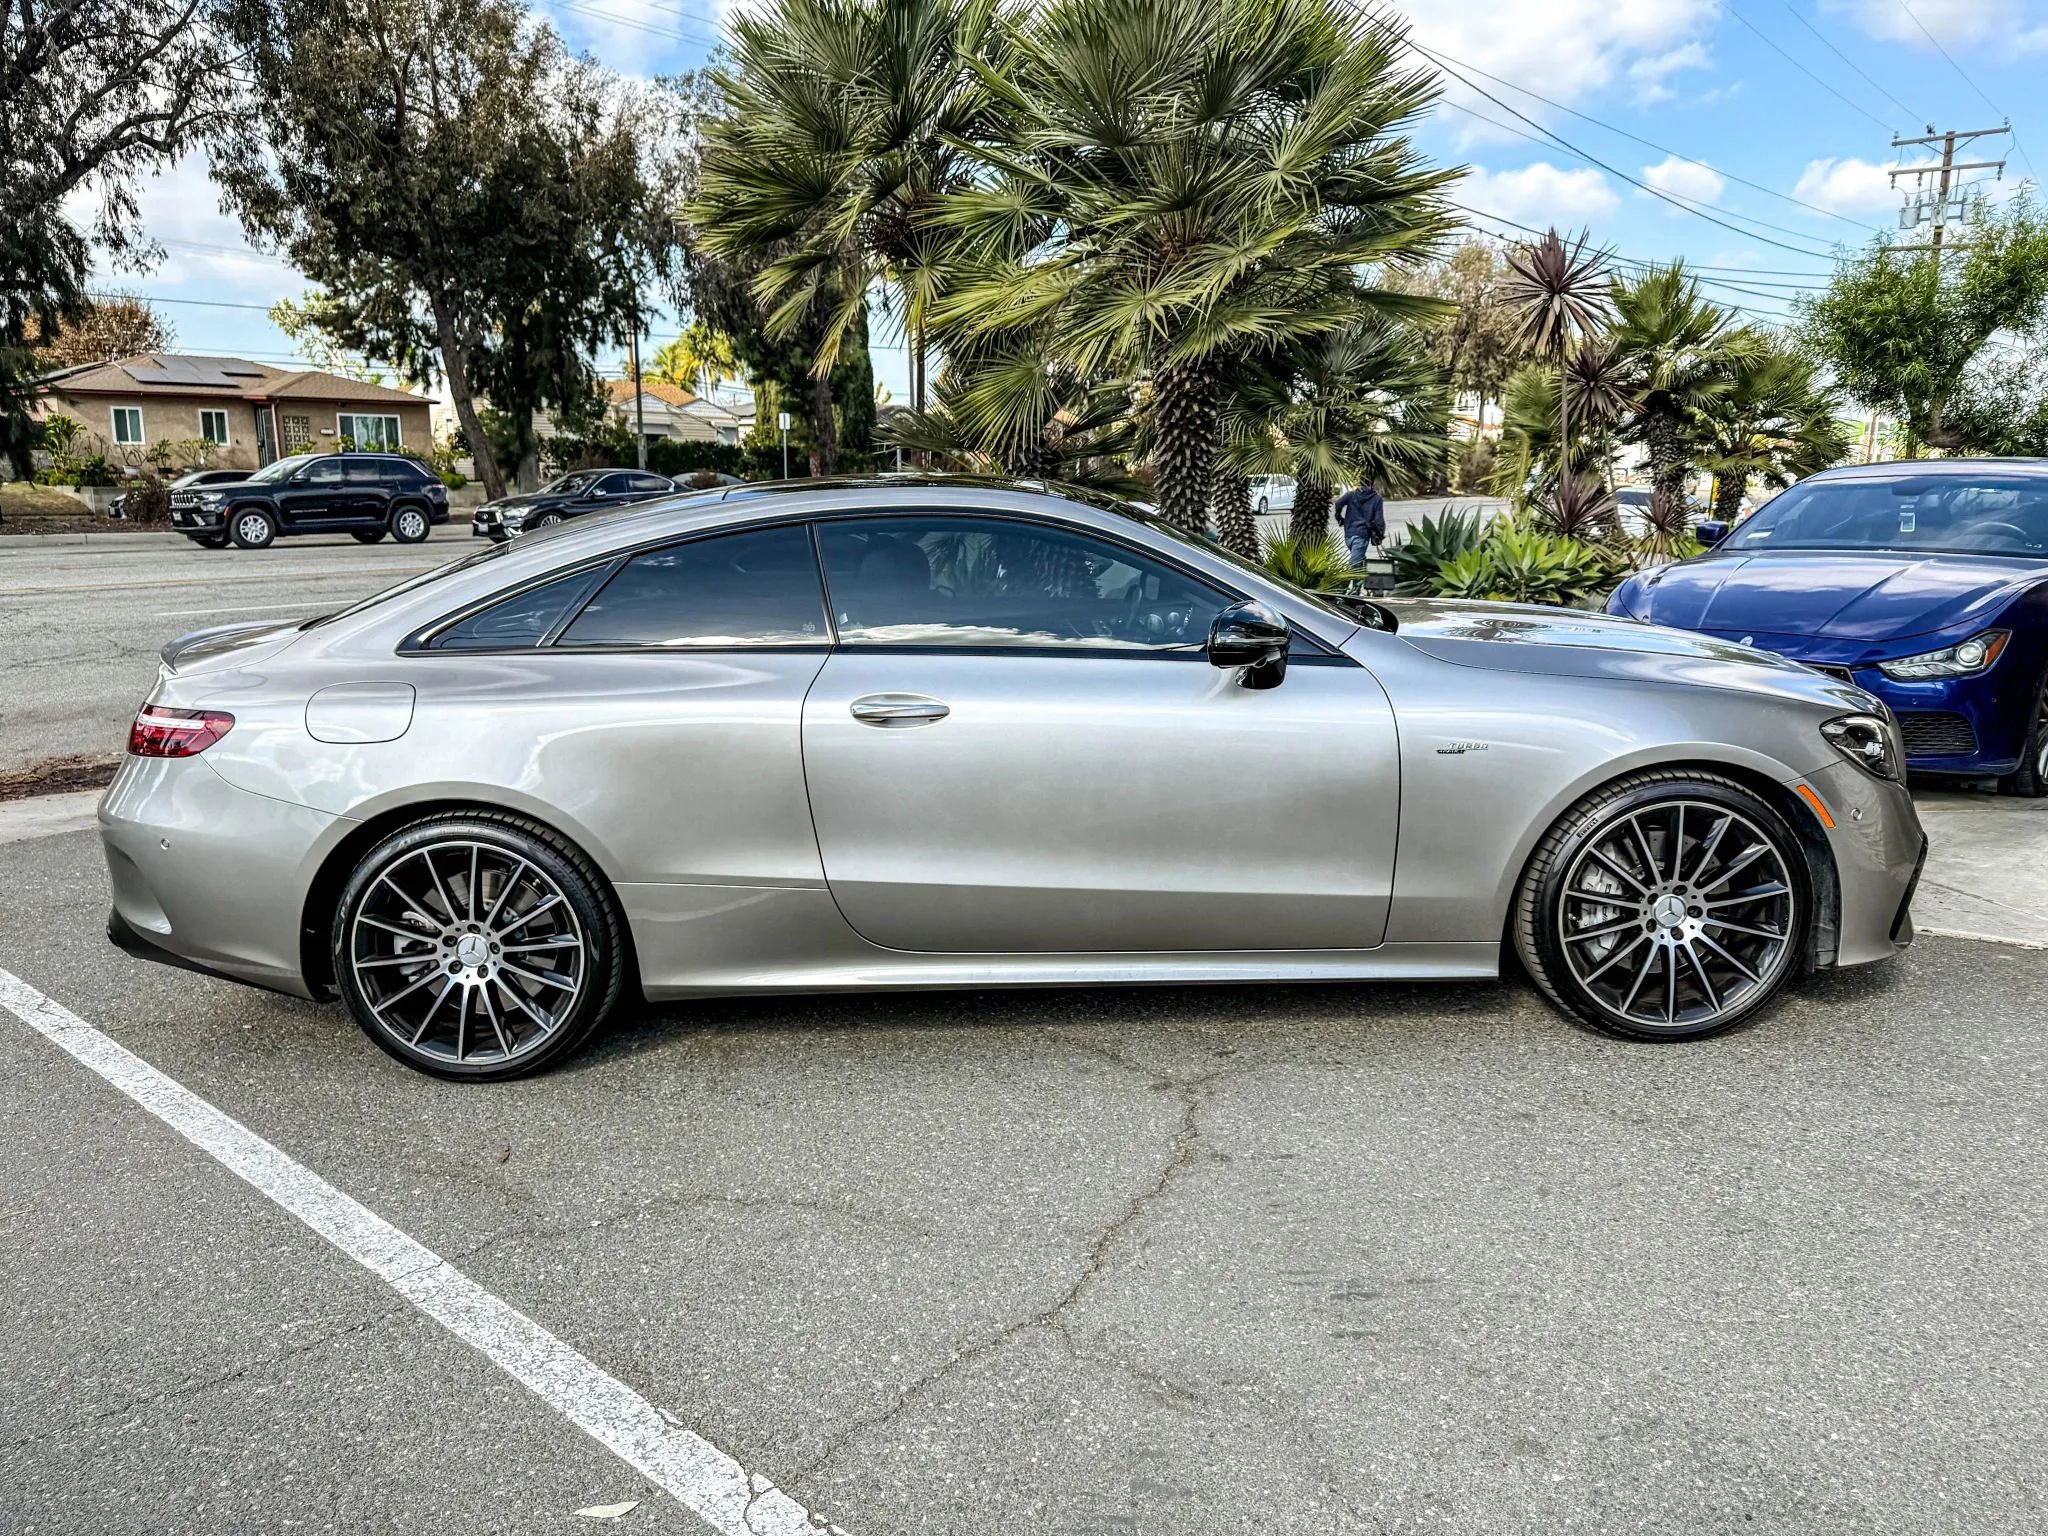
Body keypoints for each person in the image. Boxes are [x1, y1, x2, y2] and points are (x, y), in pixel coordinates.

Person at [1333, 481, 1385, 565]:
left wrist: (1339, 517)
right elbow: (1379, 519)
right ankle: (1363, 575)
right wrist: (1380, 534)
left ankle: (1365, 575)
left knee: (1357, 560)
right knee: (1355, 564)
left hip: (1349, 534)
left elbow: (1338, 503)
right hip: (1362, 534)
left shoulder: (1351, 495)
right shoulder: (1376, 498)